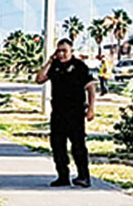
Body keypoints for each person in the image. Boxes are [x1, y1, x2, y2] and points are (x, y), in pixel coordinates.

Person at [35, 38, 97, 188]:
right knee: (57, 146)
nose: (61, 54)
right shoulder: (54, 66)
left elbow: (90, 87)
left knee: (78, 146)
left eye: (64, 50)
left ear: (71, 51)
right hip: (58, 113)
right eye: (59, 51)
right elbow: (39, 79)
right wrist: (50, 61)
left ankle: (84, 176)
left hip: (75, 113)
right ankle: (63, 176)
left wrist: (91, 108)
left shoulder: (79, 66)